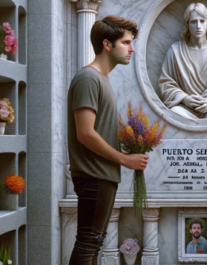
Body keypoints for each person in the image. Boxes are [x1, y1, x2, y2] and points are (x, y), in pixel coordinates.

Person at [67, 15, 149, 265]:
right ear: (107, 44)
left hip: (102, 176)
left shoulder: (101, 79)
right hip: (94, 176)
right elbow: (85, 133)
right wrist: (124, 159)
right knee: (88, 242)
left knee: (93, 242)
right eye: (126, 42)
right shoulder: (89, 79)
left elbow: (96, 131)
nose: (132, 48)